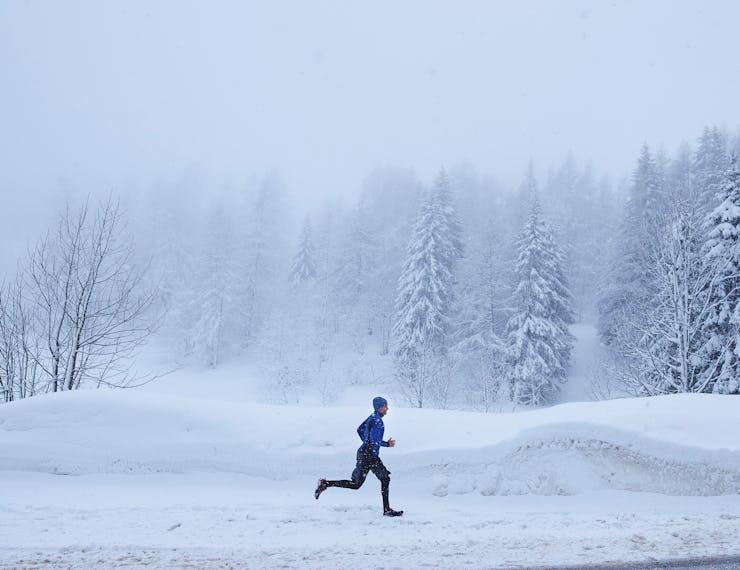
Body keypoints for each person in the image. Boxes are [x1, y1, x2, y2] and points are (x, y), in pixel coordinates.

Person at [314, 396, 403, 517]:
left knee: (384, 478)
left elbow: (359, 430)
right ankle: (325, 484)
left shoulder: (372, 418)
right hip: (368, 456)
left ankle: (387, 509)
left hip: (367, 454)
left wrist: (365, 442)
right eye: (385, 406)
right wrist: (387, 444)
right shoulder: (377, 421)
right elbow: (374, 441)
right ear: (379, 407)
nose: (387, 408)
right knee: (357, 484)